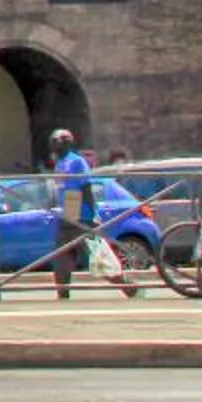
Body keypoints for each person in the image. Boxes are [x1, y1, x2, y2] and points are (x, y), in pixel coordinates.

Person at [48, 127, 139, 300]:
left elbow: (86, 187)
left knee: (97, 255)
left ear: (65, 143)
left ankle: (127, 286)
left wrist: (91, 215)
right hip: (67, 209)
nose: (54, 147)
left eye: (57, 143)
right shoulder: (59, 163)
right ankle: (62, 292)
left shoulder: (77, 161)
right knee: (61, 255)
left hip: (79, 209)